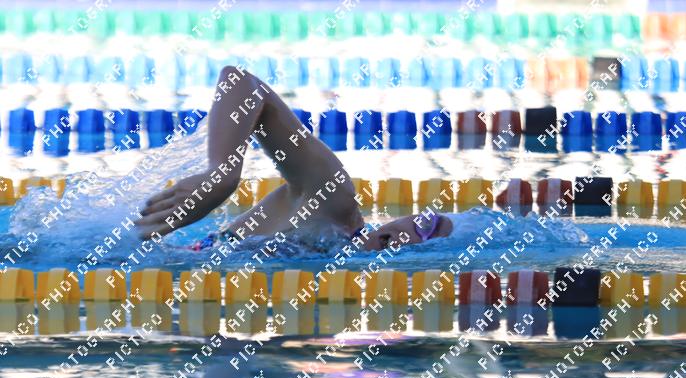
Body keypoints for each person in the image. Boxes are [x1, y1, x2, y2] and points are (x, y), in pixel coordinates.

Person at [135, 65, 453, 252]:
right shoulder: (334, 202)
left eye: (427, 226)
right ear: (388, 236)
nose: (420, 217)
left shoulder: (330, 273)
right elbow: (241, 82)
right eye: (426, 218)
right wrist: (222, 173)